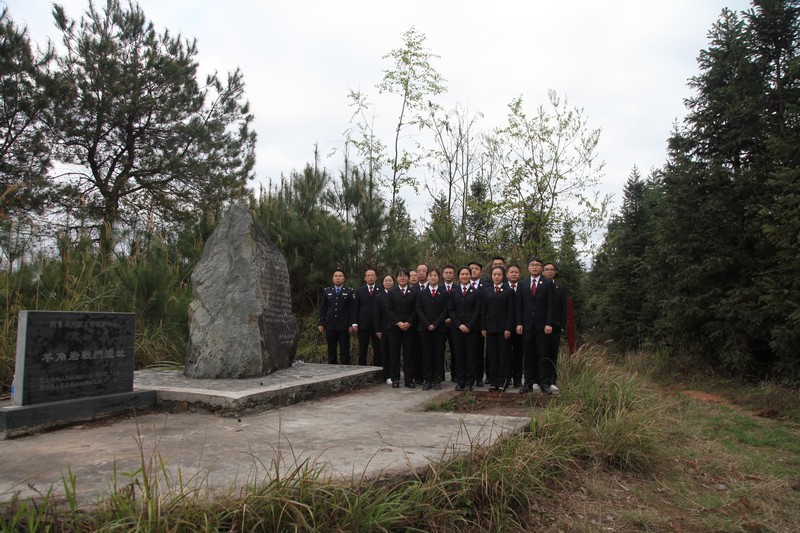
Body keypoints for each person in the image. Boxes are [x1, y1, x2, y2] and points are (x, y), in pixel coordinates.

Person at [515, 258, 555, 394]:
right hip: (526, 325)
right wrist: (519, 323)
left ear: (541, 268)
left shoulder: (548, 284)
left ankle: (544, 383)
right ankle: (528, 383)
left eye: (537, 265)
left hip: (542, 325)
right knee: (528, 355)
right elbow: (519, 306)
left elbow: (551, 305)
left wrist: (549, 323)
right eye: (532, 265)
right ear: (528, 268)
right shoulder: (522, 284)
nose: (534, 267)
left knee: (542, 354)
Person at [448, 266, 484, 391]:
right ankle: (460, 380)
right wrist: (459, 324)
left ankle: (470, 381)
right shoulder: (454, 292)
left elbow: (477, 311)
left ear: (470, 276)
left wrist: (469, 325)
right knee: (459, 355)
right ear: (459, 277)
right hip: (457, 329)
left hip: (472, 329)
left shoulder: (477, 292)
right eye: (462, 274)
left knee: (471, 355)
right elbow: (451, 310)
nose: (464, 276)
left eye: (467, 274)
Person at [482, 266, 515, 392]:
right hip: (490, 329)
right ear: (491, 276)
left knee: (503, 356)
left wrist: (508, 328)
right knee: (492, 356)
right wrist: (483, 327)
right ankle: (493, 382)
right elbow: (484, 311)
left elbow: (511, 311)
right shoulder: (487, 291)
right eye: (494, 274)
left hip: (503, 329)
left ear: (503, 276)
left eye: (499, 275)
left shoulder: (508, 291)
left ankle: (502, 382)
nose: (496, 277)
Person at [415, 268, 448, 390]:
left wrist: (435, 324)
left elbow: (445, 310)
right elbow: (419, 309)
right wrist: (427, 324)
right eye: (430, 275)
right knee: (426, 355)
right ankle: (427, 379)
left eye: (435, 275)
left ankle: (437, 379)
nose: (433, 277)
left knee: (438, 355)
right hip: (424, 329)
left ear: (438, 277)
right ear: (427, 277)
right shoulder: (421, 293)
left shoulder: (443, 292)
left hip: (439, 329)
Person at [385, 268, 418, 388]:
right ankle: (395, 379)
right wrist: (398, 322)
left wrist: (409, 322)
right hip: (394, 328)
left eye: (405, 276)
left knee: (409, 354)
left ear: (408, 278)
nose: (402, 278)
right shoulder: (391, 292)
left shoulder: (414, 292)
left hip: (410, 328)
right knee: (394, 354)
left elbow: (416, 309)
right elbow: (388, 309)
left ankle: (409, 379)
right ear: (397, 279)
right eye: (400, 276)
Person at [317, 269, 355, 365]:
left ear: (344, 278)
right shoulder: (327, 291)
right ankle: (332, 371)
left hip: (344, 326)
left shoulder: (349, 292)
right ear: (333, 278)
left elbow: (352, 310)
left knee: (344, 351)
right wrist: (321, 323)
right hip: (330, 325)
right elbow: (323, 309)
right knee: (331, 350)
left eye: (340, 276)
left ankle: (345, 373)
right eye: (335, 276)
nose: (338, 278)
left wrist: (351, 324)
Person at [541, 262, 568, 394]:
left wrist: (562, 325)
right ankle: (540, 380)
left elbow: (564, 309)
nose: (549, 272)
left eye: (552, 270)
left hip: (555, 326)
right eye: (547, 270)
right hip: (540, 326)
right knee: (541, 353)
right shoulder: (538, 286)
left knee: (552, 353)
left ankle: (552, 381)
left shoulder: (560, 288)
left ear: (555, 272)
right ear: (542, 272)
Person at [353, 269, 383, 367]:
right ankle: (362, 370)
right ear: (365, 278)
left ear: (376, 277)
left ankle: (378, 370)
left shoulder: (380, 289)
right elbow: (356, 307)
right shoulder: (359, 290)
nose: (370, 277)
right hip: (363, 324)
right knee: (363, 348)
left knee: (378, 349)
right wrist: (355, 323)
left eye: (372, 275)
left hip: (377, 325)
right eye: (368, 275)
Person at [468, 261, 489, 387]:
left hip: (480, 324)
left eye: (476, 269)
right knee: (467, 352)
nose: (473, 271)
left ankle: (479, 377)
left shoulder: (486, 286)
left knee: (479, 351)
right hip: (465, 324)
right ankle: (467, 376)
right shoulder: (461, 286)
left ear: (481, 272)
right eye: (471, 269)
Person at [374, 274, 395, 384]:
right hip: (384, 329)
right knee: (385, 352)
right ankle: (387, 375)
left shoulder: (397, 294)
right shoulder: (379, 297)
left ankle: (395, 374)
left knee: (394, 353)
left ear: (393, 282)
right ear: (382, 283)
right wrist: (378, 330)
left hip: (396, 328)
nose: (388, 282)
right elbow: (376, 315)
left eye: (390, 280)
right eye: (386, 280)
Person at [506, 264, 524, 388]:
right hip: (505, 327)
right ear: (507, 274)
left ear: (519, 274)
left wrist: (520, 323)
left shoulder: (524, 287)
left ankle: (517, 380)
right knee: (505, 354)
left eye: (516, 272)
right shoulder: (501, 287)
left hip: (520, 327)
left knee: (518, 354)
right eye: (511, 272)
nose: (513, 274)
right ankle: (506, 379)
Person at [441, 263, 458, 382]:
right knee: (439, 350)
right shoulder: (437, 288)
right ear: (442, 274)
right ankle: (440, 375)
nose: (448, 275)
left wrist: (452, 318)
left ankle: (455, 374)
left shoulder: (458, 288)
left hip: (455, 324)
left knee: (456, 350)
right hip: (440, 324)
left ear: (454, 275)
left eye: (450, 273)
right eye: (446, 272)